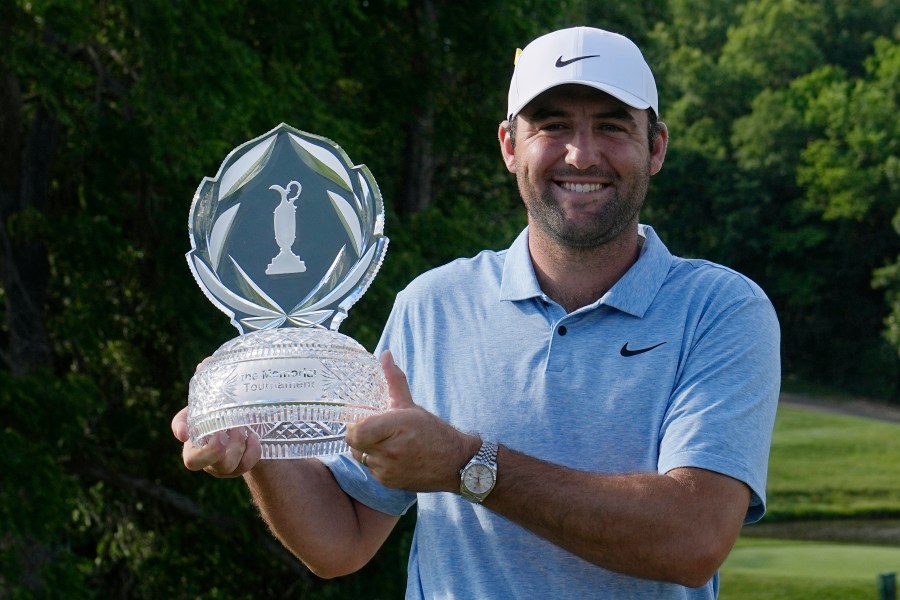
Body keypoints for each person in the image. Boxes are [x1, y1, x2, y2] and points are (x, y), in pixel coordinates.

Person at [172, 26, 780, 598]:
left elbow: (693, 536)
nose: (581, 154)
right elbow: (342, 542)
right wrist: (257, 444)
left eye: (613, 127)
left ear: (656, 148)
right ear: (510, 147)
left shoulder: (720, 310)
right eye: (553, 124)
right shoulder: (432, 304)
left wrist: (466, 466)